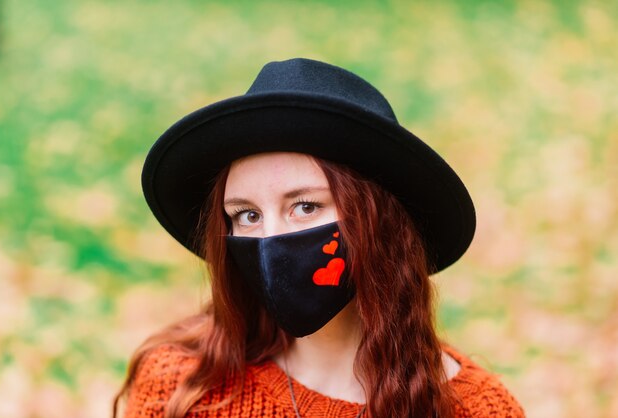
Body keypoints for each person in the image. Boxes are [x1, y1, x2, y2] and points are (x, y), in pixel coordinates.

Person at [114, 58, 525, 417]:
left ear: (379, 223)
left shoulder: (476, 410)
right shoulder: (182, 385)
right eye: (248, 214)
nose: (271, 239)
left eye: (305, 206)